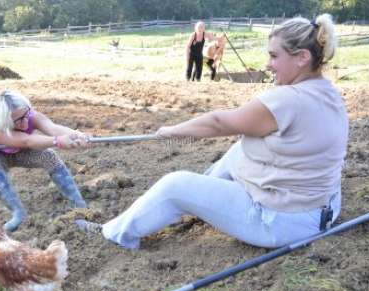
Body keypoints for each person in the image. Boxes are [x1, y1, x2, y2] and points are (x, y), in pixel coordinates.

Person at [77, 14, 347, 250]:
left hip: (280, 222)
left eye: (274, 56)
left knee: (175, 184)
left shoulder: (289, 100)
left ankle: (114, 235)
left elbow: (219, 122)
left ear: (302, 58)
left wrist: (174, 130)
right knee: (239, 149)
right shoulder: (328, 92)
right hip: (323, 208)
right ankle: (199, 202)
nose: (268, 64)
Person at [0, 89, 89, 232]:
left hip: (22, 153)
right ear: (4, 121)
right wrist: (57, 141)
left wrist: (76, 135)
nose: (24, 122)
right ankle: (18, 212)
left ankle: (79, 205)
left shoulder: (30, 116)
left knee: (48, 155)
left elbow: (53, 128)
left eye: (25, 115)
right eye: (17, 121)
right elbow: (27, 140)